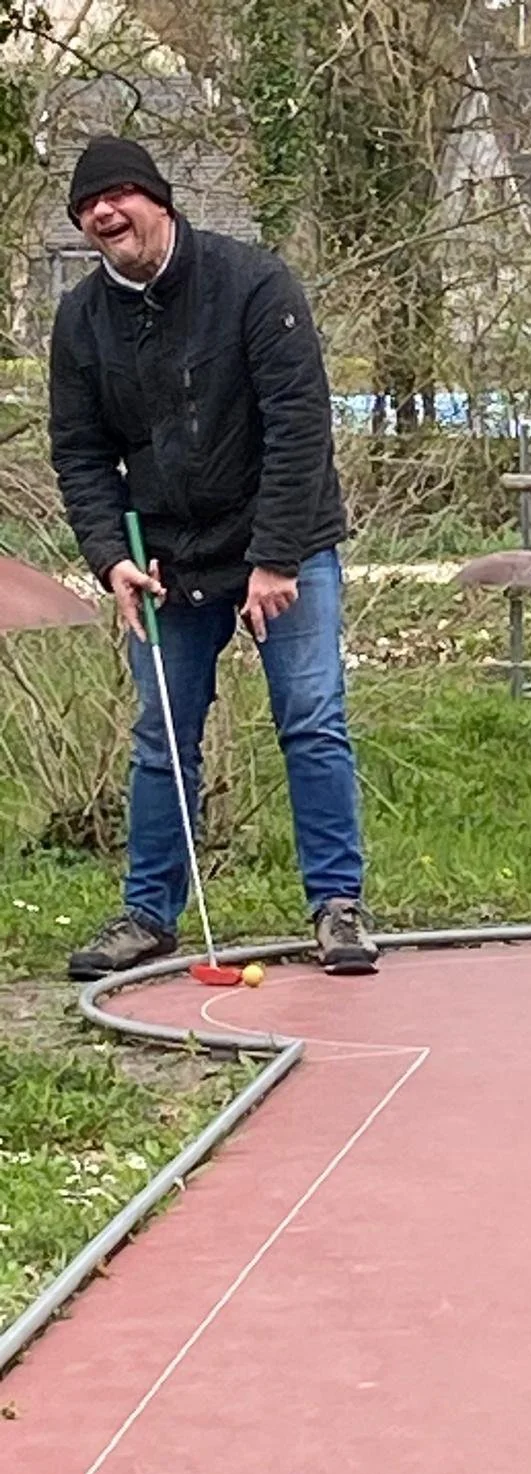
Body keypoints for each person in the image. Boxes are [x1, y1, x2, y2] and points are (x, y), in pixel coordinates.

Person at [48, 135, 379, 979]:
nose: (105, 213)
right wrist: (107, 559)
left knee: (311, 721)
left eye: (119, 194)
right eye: (90, 207)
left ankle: (337, 908)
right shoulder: (81, 321)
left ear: (159, 200)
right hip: (163, 559)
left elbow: (301, 425)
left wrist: (275, 558)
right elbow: (81, 452)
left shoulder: (254, 284)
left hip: (281, 546)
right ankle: (149, 915)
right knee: (162, 738)